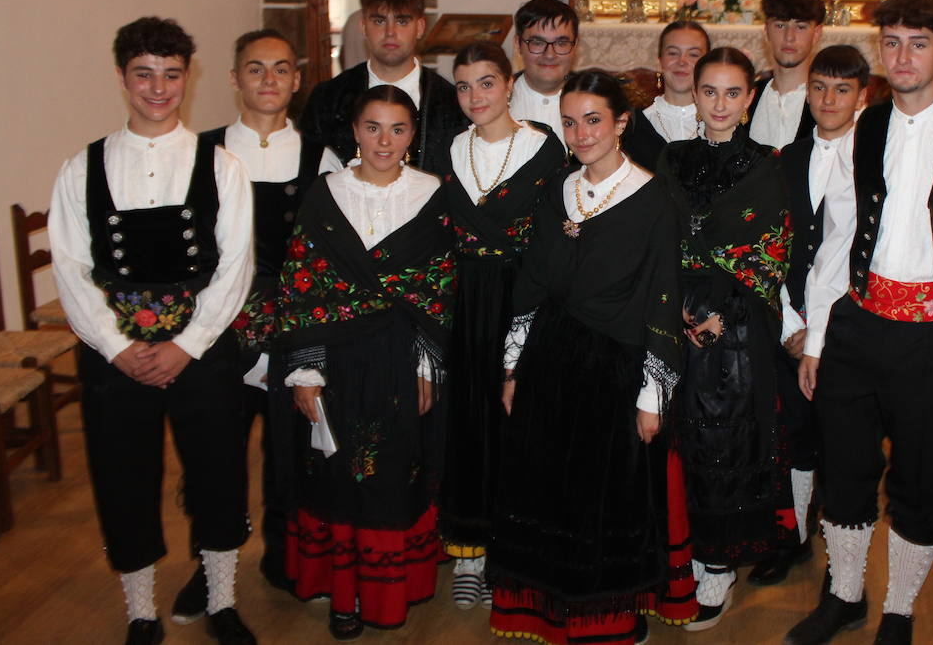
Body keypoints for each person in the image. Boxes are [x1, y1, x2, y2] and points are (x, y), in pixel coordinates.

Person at [786, 0, 933, 645]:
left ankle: (901, 611)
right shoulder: (865, 128)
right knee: (847, 467)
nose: (904, 56)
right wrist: (819, 341)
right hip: (858, 324)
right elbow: (837, 240)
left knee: (917, 476)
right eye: (892, 43)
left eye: (918, 43)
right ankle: (846, 596)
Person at [50, 17, 257, 645]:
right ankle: (141, 610)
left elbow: (236, 263)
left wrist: (186, 345)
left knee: (219, 470)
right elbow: (70, 266)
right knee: (123, 474)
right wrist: (116, 347)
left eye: (171, 74)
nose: (158, 88)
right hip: (116, 354)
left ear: (187, 78)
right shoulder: (80, 168)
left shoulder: (221, 166)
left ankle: (222, 601)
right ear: (121, 77)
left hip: (202, 349)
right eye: (144, 74)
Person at [487, 71, 693, 645]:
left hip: (616, 370)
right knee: (550, 489)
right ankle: (553, 611)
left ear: (622, 122)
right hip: (550, 363)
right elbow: (530, 285)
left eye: (594, 120)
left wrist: (653, 395)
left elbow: (662, 296)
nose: (581, 134)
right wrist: (512, 367)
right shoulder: (556, 189)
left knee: (606, 499)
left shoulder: (655, 199)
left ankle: (607, 620)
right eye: (570, 122)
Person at [169, 30, 338, 623]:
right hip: (218, 324)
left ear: (297, 79)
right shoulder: (199, 152)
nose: (269, 80)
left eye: (282, 69)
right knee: (214, 449)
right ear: (234, 78)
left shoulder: (324, 156)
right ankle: (208, 564)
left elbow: (334, 250)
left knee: (288, 450)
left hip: (295, 323)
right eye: (255, 69)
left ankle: (283, 556)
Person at [277, 85, 455, 639]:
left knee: (392, 474)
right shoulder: (323, 193)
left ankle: (388, 592)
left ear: (413, 136)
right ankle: (344, 596)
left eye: (398, 129)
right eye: (373, 127)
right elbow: (300, 285)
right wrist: (305, 369)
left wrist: (428, 364)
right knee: (334, 473)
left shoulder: (432, 193)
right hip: (333, 361)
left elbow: (440, 287)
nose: (385, 140)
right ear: (354, 131)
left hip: (399, 361)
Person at [660, 47, 794, 631]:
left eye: (732, 93)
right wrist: (674, 309)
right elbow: (654, 236)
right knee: (678, 443)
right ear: (694, 95)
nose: (719, 104)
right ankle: (681, 556)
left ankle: (718, 567)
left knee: (724, 444)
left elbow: (773, 251)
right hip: (673, 320)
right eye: (708, 91)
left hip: (734, 329)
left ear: (748, 100)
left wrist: (718, 314)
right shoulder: (670, 158)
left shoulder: (769, 164)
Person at [439, 41, 566, 608]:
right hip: (467, 302)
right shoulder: (449, 149)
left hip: (523, 298)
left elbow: (554, 238)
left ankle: (514, 551)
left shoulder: (545, 150)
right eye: (463, 86)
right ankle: (471, 552)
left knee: (519, 425)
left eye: (485, 83)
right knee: (471, 423)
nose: (474, 98)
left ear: (510, 83)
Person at [749, 45, 870, 589]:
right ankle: (793, 537)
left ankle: (842, 556)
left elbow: (869, 251)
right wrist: (788, 322)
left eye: (842, 89)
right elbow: (768, 247)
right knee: (793, 433)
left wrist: (827, 328)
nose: (828, 99)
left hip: (853, 326)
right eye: (819, 87)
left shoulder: (876, 159)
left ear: (862, 97)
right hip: (790, 320)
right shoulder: (786, 159)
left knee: (845, 443)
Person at [299, 0, 466, 173]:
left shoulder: (451, 103)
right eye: (379, 21)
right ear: (363, 26)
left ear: (420, 27)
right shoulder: (328, 99)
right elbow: (311, 181)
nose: (390, 32)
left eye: (402, 21)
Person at [623, 20, 711, 169]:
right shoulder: (634, 127)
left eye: (693, 54)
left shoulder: (720, 122)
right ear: (659, 61)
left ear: (707, 64)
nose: (682, 61)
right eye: (673, 53)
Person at [747, 0, 825, 149]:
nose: (789, 37)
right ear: (766, 31)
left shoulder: (828, 99)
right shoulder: (748, 96)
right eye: (780, 25)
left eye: (800, 27)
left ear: (817, 34)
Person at [508, 0, 581, 142]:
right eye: (538, 42)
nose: (549, 54)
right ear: (518, 44)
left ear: (575, 46)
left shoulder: (595, 100)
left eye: (561, 43)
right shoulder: (496, 101)